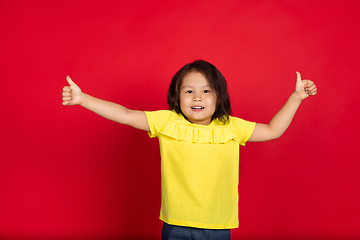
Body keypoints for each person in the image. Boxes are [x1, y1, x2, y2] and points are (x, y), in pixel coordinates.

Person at [62, 60, 317, 240]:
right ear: (177, 96)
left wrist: (295, 98)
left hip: (217, 225)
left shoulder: (231, 127)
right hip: (175, 223)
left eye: (206, 91)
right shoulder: (167, 122)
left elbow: (273, 130)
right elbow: (126, 114)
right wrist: (83, 99)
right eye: (189, 91)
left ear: (219, 97)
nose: (197, 97)